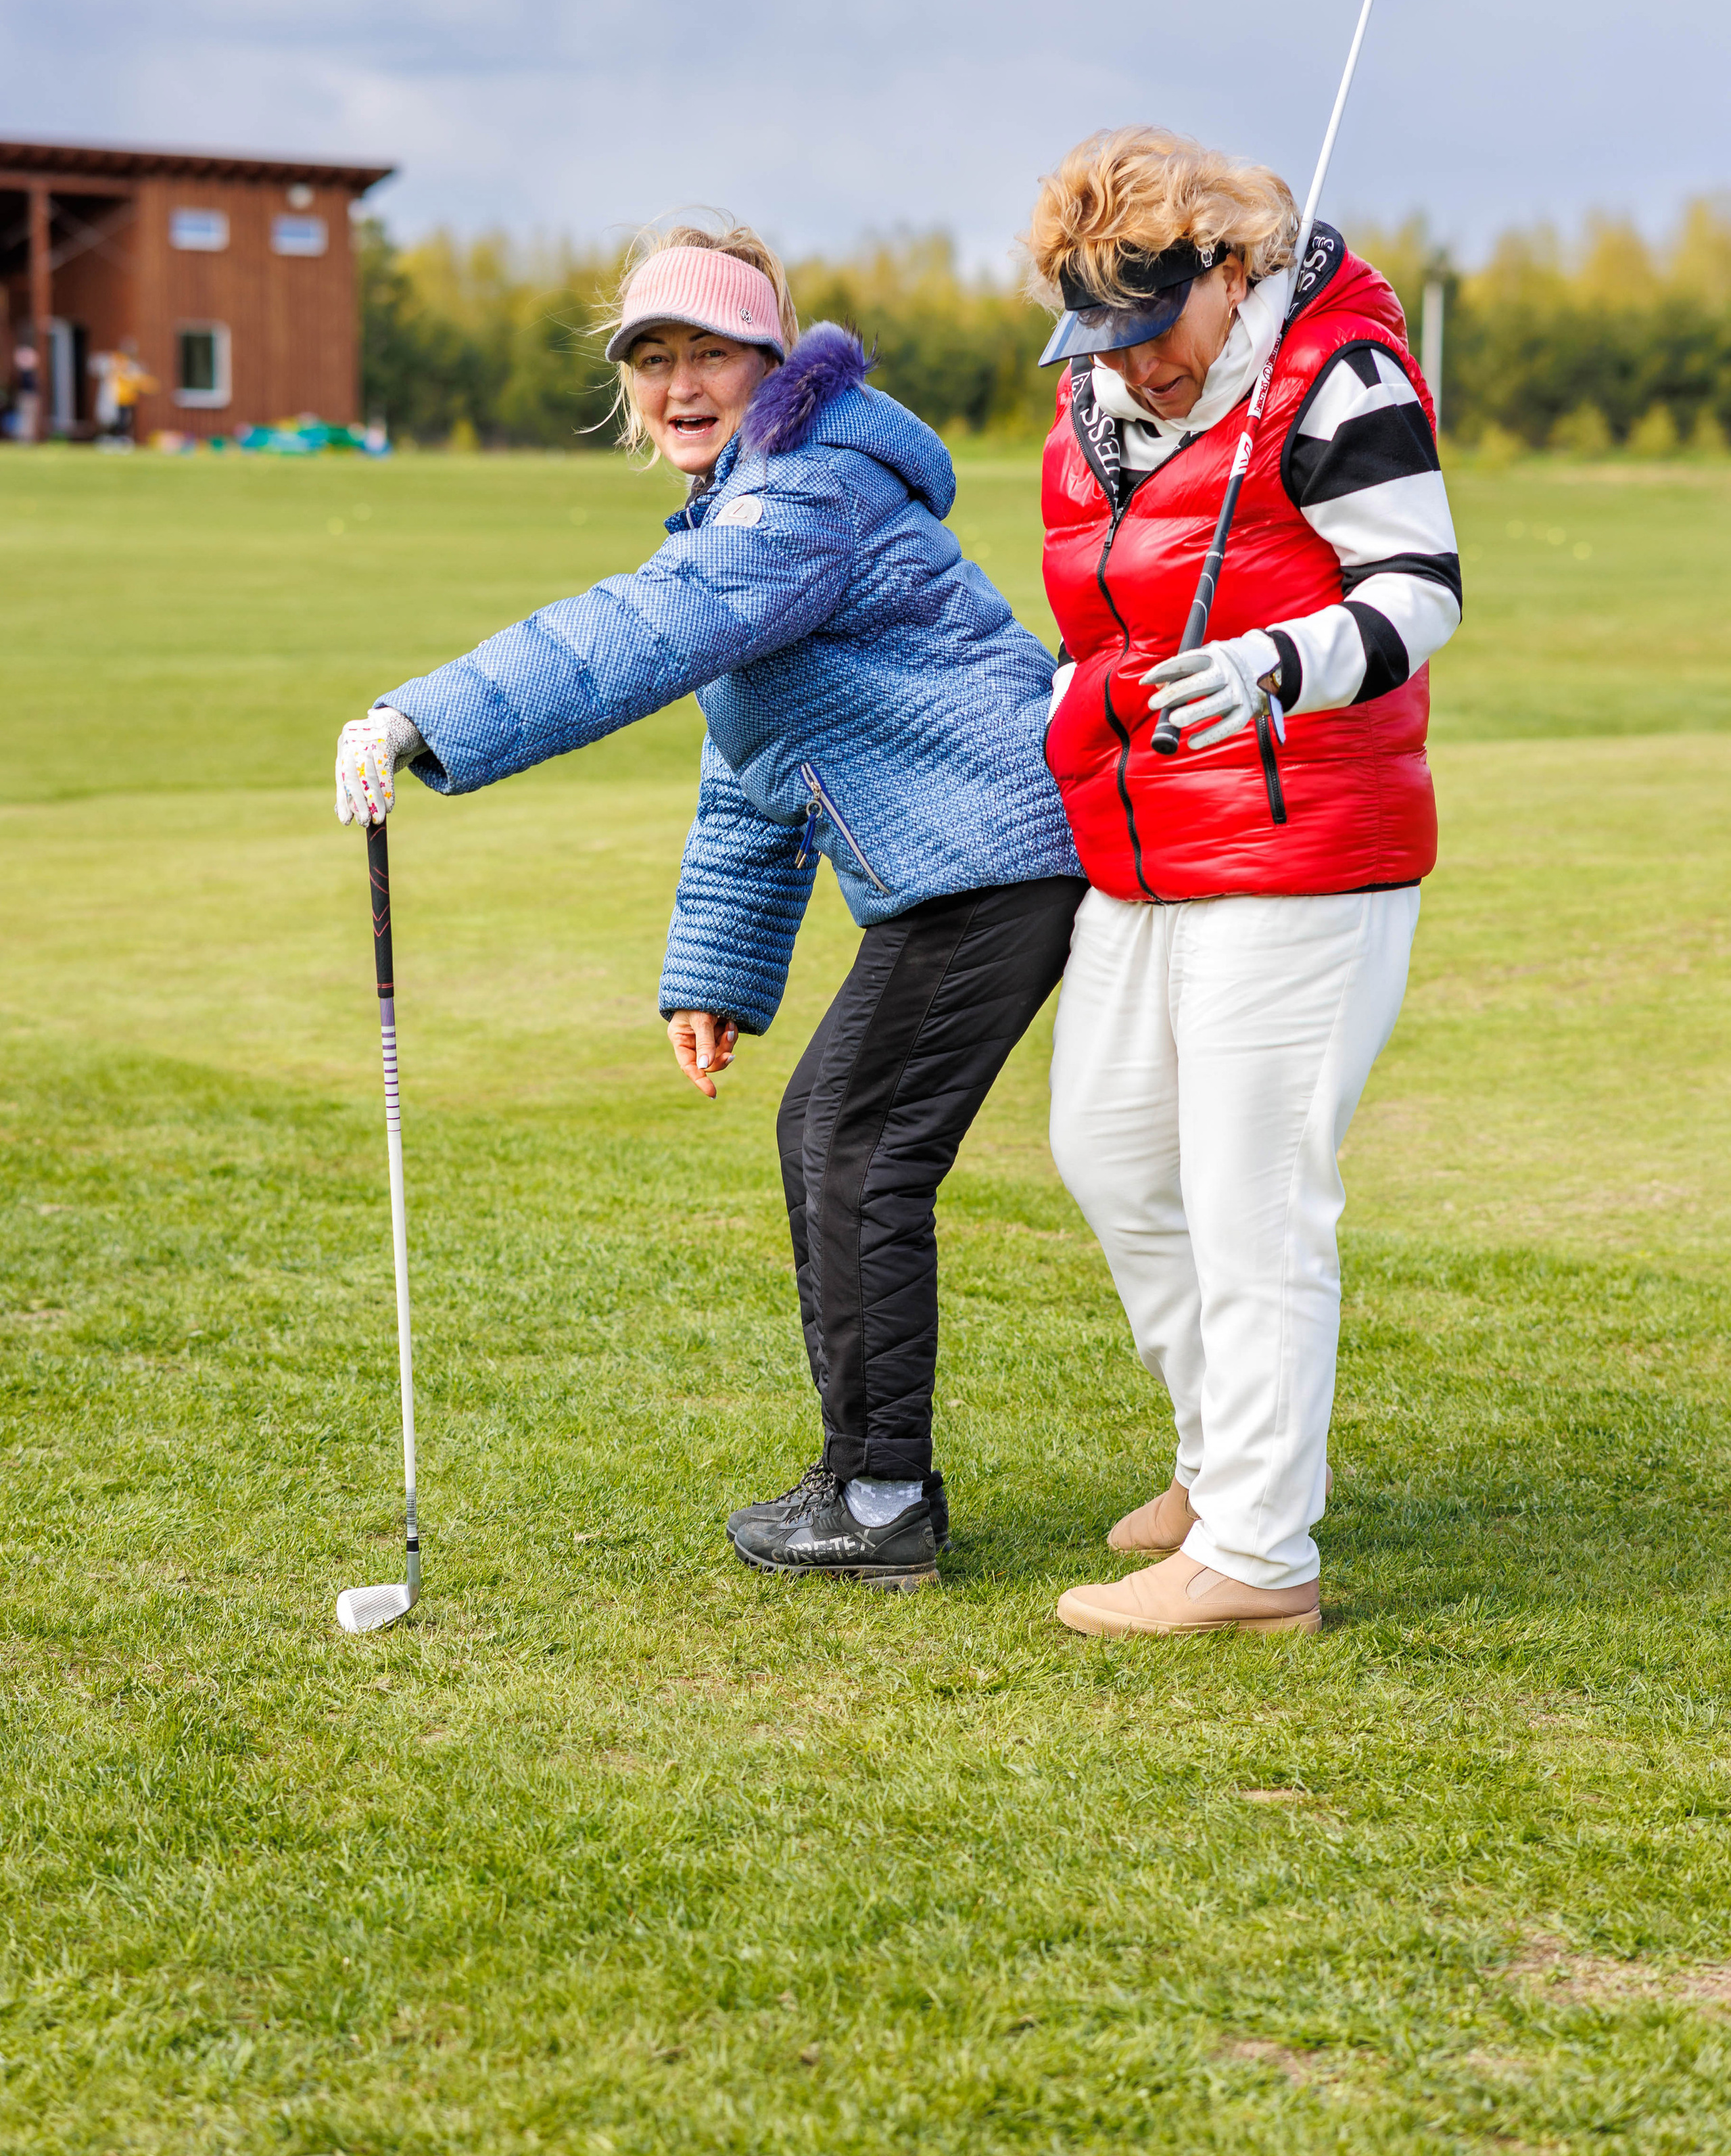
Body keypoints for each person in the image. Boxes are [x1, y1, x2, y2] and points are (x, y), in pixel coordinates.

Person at [333, 223, 1083, 1589]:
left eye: (710, 356)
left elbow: (636, 635)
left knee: (853, 1147)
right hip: (974, 868)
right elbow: (748, 777)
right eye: (651, 359)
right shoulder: (757, 504)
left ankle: (879, 1498)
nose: (678, 385)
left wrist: (422, 715)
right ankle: (867, 1479)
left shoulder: (799, 498)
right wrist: (715, 978)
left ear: (772, 363)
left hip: (999, 860)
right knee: (836, 1136)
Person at [1025, 128, 1461, 1639]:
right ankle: (1220, 1471)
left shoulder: (1334, 377)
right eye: (1102, 338)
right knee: (1108, 1154)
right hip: (1142, 838)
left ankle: (1259, 1559)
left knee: (1250, 1197)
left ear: (1228, 270)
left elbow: (1418, 590)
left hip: (1304, 839)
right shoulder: (1088, 408)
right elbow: (1103, 621)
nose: (1135, 365)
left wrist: (1280, 666)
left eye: (1154, 331)